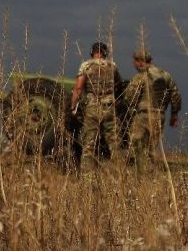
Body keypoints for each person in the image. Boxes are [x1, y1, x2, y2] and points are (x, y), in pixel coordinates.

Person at [123, 49, 181, 174]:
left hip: (143, 115)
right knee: (152, 146)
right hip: (160, 115)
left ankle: (139, 174)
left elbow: (129, 97)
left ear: (139, 61)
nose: (134, 64)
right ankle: (154, 173)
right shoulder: (165, 75)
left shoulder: (140, 77)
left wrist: (132, 108)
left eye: (135, 61)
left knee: (136, 144)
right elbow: (175, 96)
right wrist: (174, 115)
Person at [70, 42, 122, 173]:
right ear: (105, 53)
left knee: (89, 143)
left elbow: (78, 87)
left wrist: (73, 105)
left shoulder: (86, 65)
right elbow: (118, 85)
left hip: (93, 107)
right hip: (109, 107)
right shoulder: (113, 66)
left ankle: (87, 175)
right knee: (114, 142)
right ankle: (120, 173)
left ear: (92, 52)